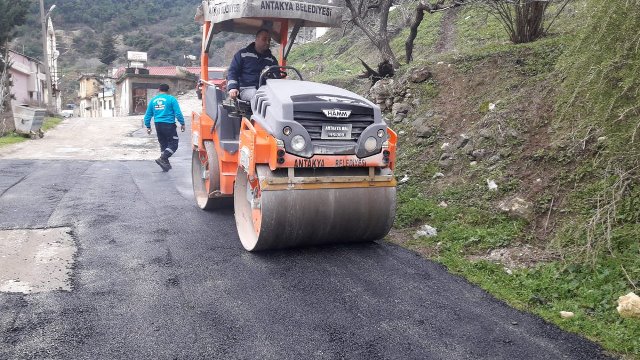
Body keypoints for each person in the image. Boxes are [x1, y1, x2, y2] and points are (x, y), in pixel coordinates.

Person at [227, 29, 280, 101]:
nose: (267, 42)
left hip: (266, 90)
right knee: (257, 95)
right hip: (246, 89)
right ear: (256, 39)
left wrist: (271, 76)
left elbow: (276, 77)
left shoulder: (272, 60)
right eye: (264, 39)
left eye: (269, 40)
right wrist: (232, 88)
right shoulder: (242, 54)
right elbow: (233, 71)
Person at [144, 83, 185, 172]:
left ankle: (165, 164)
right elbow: (177, 113)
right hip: (169, 124)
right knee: (174, 144)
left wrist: (148, 126)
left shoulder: (153, 100)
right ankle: (163, 158)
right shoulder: (171, 99)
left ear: (159, 89)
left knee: (163, 144)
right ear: (168, 90)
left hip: (158, 125)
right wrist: (182, 123)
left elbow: (147, 115)